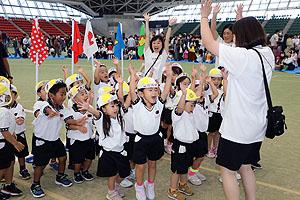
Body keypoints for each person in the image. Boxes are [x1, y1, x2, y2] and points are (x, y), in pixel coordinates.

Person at [201, 0, 274, 199]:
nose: (233, 38)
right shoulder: (268, 54)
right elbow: (245, 42)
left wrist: (205, 16)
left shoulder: (242, 57)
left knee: (227, 171)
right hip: (257, 126)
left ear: (240, 36)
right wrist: (240, 18)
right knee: (246, 167)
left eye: (236, 34)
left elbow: (208, 43)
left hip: (237, 128)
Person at [30, 79, 87, 198]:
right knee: (41, 165)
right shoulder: (41, 104)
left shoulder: (62, 108)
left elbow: (68, 119)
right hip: (42, 140)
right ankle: (35, 185)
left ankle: (60, 176)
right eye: (61, 94)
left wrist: (77, 121)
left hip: (55, 139)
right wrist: (50, 112)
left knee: (63, 157)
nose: (64, 97)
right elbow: (45, 109)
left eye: (65, 94)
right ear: (51, 95)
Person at [129, 63, 172, 200]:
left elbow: (165, 91)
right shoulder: (137, 104)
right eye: (149, 90)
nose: (154, 92)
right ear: (141, 93)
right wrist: (132, 75)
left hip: (156, 138)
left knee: (153, 164)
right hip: (141, 140)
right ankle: (140, 186)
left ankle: (150, 184)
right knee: (141, 166)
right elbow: (131, 91)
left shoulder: (159, 102)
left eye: (155, 89)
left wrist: (169, 77)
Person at [168, 85, 202, 200]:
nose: (193, 107)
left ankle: (182, 185)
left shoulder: (190, 114)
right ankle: (172, 190)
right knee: (177, 170)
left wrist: (200, 82)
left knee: (185, 167)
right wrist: (183, 94)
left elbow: (196, 96)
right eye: (191, 105)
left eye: (194, 105)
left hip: (189, 146)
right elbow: (180, 107)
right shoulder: (178, 114)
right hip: (179, 146)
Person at [94, 92, 130, 200]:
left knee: (124, 172)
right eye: (112, 106)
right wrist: (88, 108)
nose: (116, 108)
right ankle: (111, 193)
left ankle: (116, 186)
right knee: (112, 174)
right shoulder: (101, 120)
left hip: (121, 151)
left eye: (116, 105)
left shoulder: (119, 116)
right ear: (104, 109)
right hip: (109, 153)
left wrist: (132, 82)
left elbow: (127, 102)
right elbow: (96, 113)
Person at [0, 76, 24, 199]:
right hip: (3, 143)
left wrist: (12, 131)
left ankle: (8, 185)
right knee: (2, 167)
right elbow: (3, 131)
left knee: (10, 162)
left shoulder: (6, 109)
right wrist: (15, 143)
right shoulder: (3, 111)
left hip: (6, 141)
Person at [66, 85, 95, 184]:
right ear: (74, 100)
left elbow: (94, 119)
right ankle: (77, 173)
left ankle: (85, 171)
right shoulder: (71, 112)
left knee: (90, 157)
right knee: (78, 160)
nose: (85, 95)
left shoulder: (89, 108)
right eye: (82, 94)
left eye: (85, 93)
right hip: (77, 139)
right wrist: (78, 127)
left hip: (89, 138)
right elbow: (68, 126)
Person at [143, 13, 176, 82]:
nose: (156, 45)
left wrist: (170, 26)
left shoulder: (164, 54)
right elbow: (147, 36)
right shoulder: (147, 51)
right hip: (146, 82)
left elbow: (167, 39)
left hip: (157, 84)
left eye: (158, 43)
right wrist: (147, 21)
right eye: (154, 43)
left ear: (162, 44)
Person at [10, 85, 31, 180]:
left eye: (11, 94)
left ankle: (23, 169)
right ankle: (5, 171)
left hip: (19, 134)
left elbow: (21, 118)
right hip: (7, 136)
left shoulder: (18, 107)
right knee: (8, 156)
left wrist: (20, 119)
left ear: (15, 96)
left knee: (21, 153)